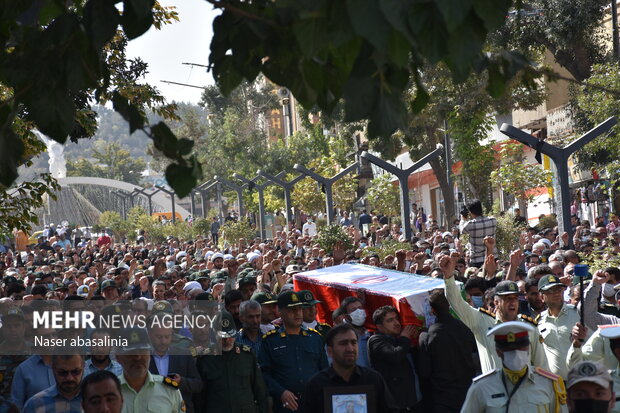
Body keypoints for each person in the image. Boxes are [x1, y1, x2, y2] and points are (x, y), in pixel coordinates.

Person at [442, 254, 547, 374]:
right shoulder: (481, 321)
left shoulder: (530, 327)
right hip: (493, 391)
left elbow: (541, 365)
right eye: (507, 298)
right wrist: (449, 276)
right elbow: (456, 303)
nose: (512, 302)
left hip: (523, 390)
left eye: (515, 298)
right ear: (496, 302)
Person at [461, 321, 567, 412]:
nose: (516, 353)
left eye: (521, 347)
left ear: (528, 348)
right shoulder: (482, 388)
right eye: (509, 349)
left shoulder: (548, 383)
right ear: (498, 352)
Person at [299, 323, 395, 413]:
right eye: (343, 343)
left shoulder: (374, 379)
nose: (350, 348)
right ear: (329, 351)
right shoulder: (316, 385)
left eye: (353, 343)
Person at [259, 290, 328, 413]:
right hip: (285, 405)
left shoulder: (315, 338)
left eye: (299, 309)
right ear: (280, 312)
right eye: (291, 310)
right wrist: (281, 392)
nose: (297, 314)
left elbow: (324, 371)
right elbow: (264, 374)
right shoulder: (270, 341)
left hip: (313, 403)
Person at [196, 310, 268, 412]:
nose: (227, 340)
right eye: (223, 337)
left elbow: (260, 390)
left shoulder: (247, 355)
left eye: (230, 335)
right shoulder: (205, 359)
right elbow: (200, 397)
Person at [418, 290, 478, 413]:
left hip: (442, 396)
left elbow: (424, 371)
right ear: (449, 306)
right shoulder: (464, 328)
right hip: (466, 392)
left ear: (432, 311)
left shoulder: (428, 336)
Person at [115, 327, 184, 413]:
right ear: (118, 357)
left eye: (142, 351)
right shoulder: (110, 391)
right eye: (131, 352)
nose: (138, 357)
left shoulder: (169, 389)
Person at [367, 305, 421, 411]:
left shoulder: (397, 339)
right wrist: (405, 337)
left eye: (397, 319)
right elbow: (395, 355)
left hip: (411, 403)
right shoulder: (376, 340)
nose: (396, 323)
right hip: (393, 405)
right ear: (379, 326)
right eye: (390, 320)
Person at [147, 314, 202, 413]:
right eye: (159, 337)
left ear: (172, 335)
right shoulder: (143, 358)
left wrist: (181, 381)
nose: (163, 341)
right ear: (150, 334)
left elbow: (198, 384)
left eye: (167, 337)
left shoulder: (184, 355)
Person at [537, 274, 584, 378]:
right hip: (556, 386)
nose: (557, 293)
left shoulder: (577, 313)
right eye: (551, 291)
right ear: (541, 297)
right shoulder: (539, 322)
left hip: (582, 379)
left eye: (559, 289)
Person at [459, 200, 497, 267]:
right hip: (493, 257)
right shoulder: (493, 220)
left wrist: (463, 219)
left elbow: (462, 230)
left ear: (470, 212)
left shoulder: (470, 224)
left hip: (477, 260)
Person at [340, 296, 372, 367]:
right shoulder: (339, 337)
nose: (359, 312)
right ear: (346, 316)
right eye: (353, 310)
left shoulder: (371, 335)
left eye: (360, 308)